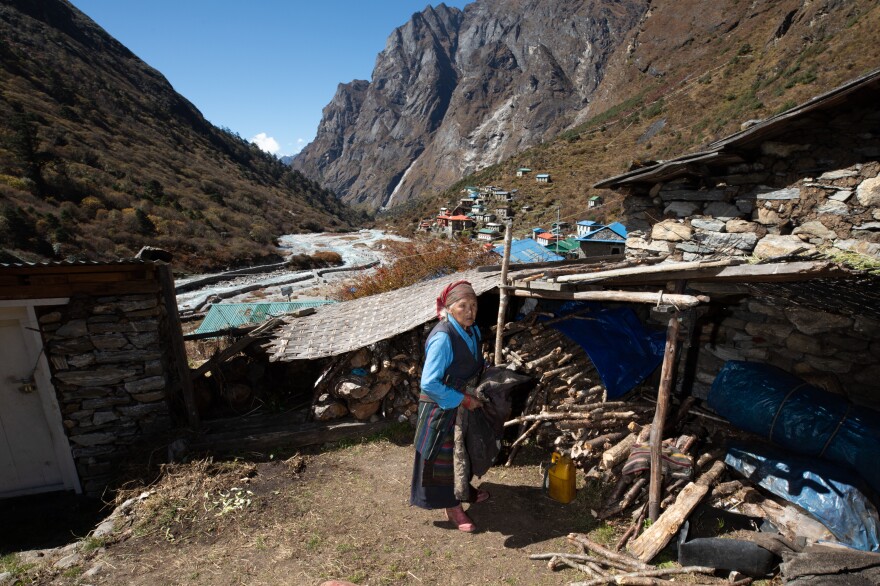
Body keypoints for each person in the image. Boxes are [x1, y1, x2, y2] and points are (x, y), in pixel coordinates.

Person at [410, 280, 489, 532]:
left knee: (462, 450)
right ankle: (452, 507)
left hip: (462, 400)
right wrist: (464, 399)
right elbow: (429, 383)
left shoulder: (472, 331)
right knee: (442, 457)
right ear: (449, 308)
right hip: (440, 405)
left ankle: (463, 489)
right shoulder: (443, 337)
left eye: (474, 305)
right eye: (462, 306)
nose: (470, 311)